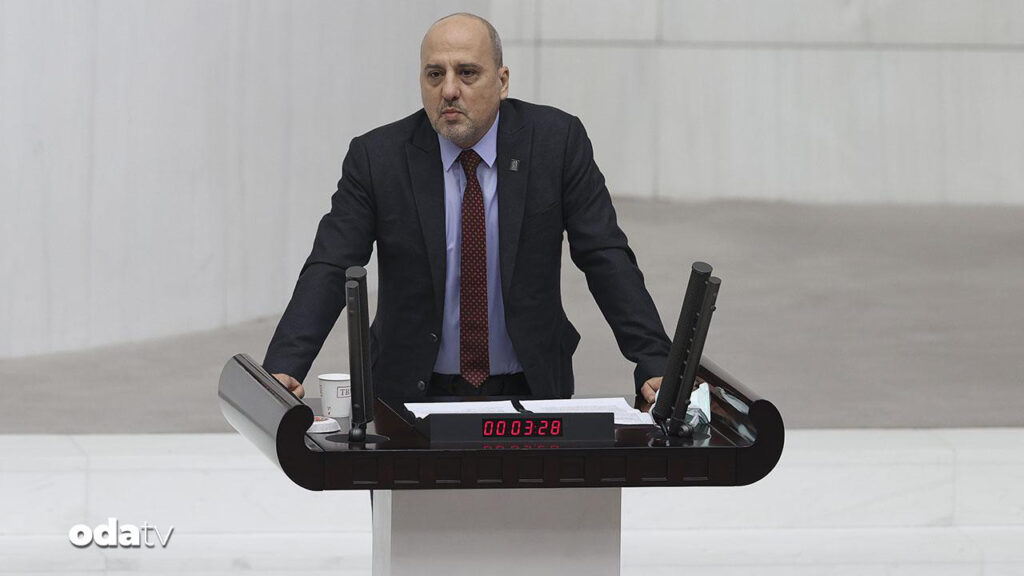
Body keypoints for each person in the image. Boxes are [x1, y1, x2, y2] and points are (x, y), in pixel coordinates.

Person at [263, 12, 670, 404]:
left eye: (467, 73)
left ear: (502, 81)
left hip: (531, 386)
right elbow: (332, 264)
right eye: (434, 74)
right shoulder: (377, 158)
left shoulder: (556, 143)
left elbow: (603, 254)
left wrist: (654, 358)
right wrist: (285, 366)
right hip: (407, 392)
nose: (449, 90)